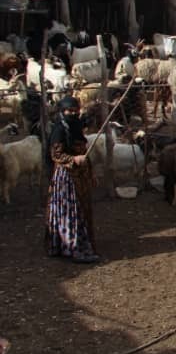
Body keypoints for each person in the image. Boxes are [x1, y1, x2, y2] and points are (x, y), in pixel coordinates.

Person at [46, 96, 99, 263]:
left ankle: (81, 242)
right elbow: (56, 154)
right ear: (62, 112)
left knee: (82, 209)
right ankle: (72, 246)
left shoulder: (75, 127)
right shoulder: (59, 130)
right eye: (69, 111)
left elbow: (83, 151)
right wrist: (73, 160)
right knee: (70, 211)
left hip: (80, 175)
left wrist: (91, 173)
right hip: (65, 177)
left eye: (75, 111)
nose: (73, 114)